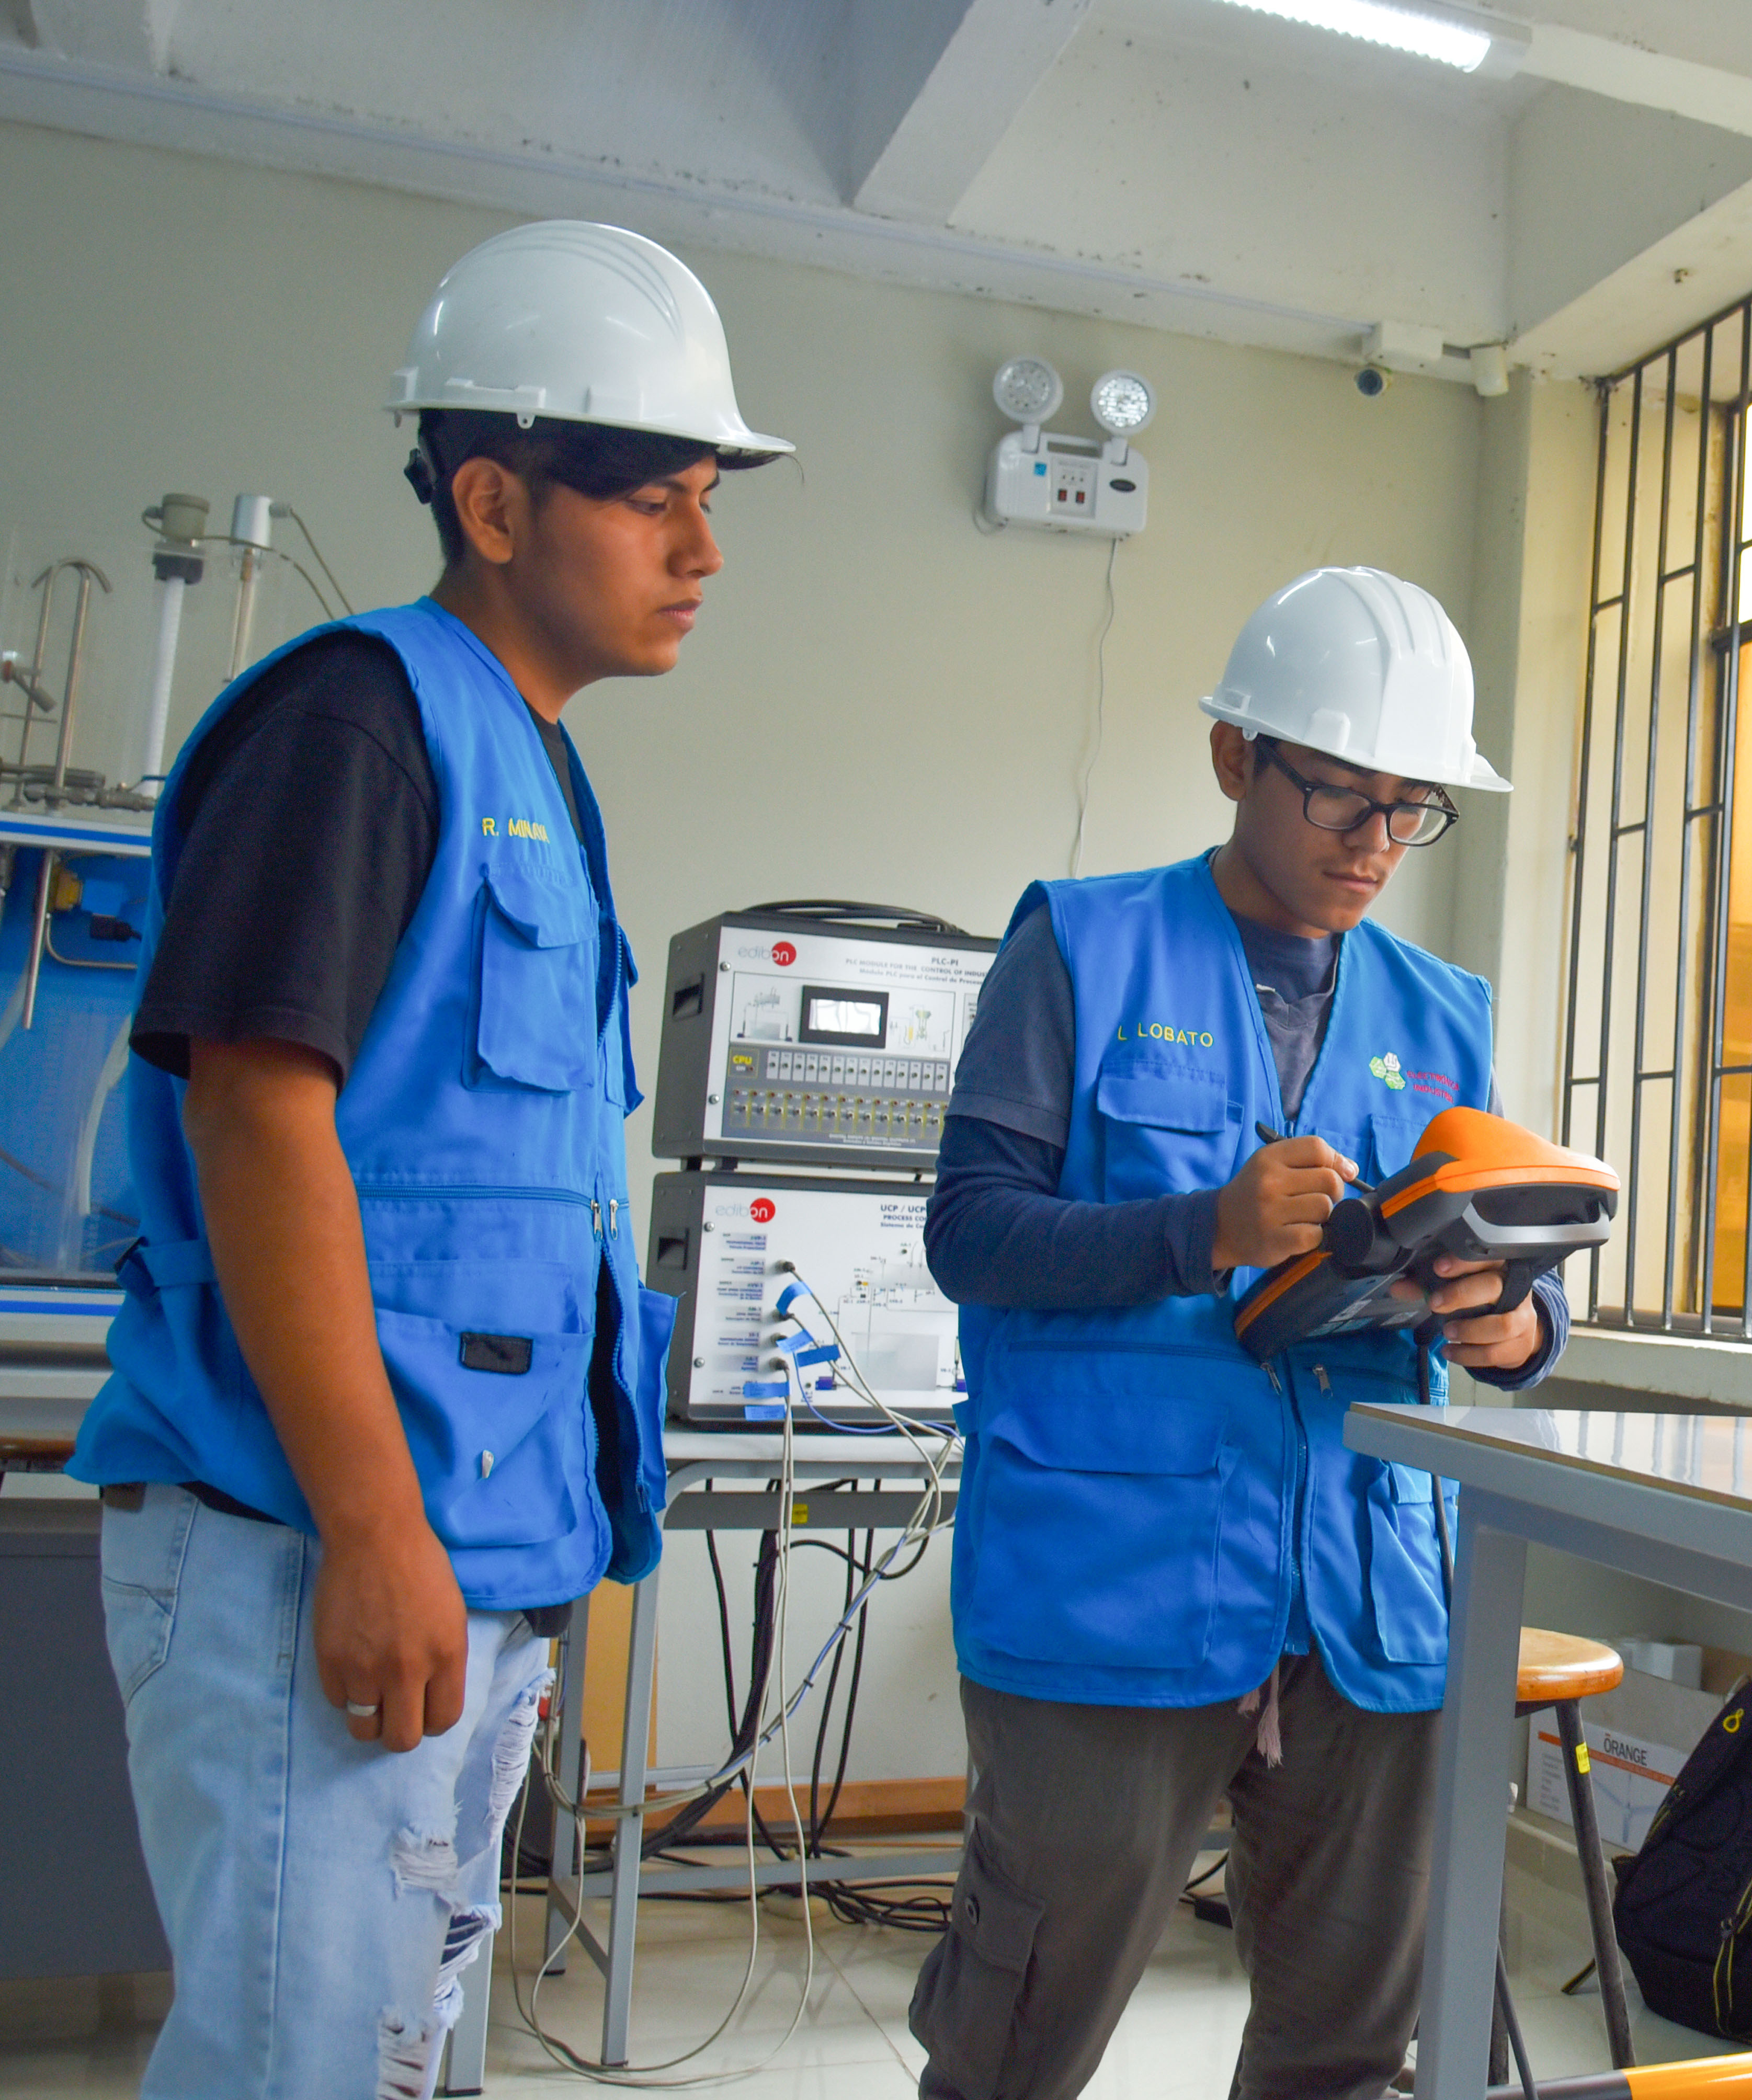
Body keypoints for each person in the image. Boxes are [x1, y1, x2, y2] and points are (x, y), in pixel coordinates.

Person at [67, 220, 790, 2098]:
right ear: (491, 496)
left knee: (382, 2063)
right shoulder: (356, 724)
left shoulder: (530, 765)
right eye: (658, 504)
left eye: (710, 503)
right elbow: (257, 1110)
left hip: (467, 1559)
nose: (705, 553)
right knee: (292, 2069)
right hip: (314, 1540)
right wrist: (380, 1533)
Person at [911, 566, 1566, 2100]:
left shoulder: (1442, 1006)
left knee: (1346, 2044)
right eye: (1344, 800)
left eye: (1414, 812)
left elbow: (1507, 1284)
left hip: (1367, 1596)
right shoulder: (1080, 948)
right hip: (1113, 1584)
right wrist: (1202, 1229)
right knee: (1021, 2032)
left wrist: (1509, 1322)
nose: (1379, 848)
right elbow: (971, 1233)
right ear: (1235, 761)